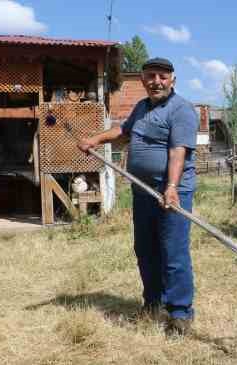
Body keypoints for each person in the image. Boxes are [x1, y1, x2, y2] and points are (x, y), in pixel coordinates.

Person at [78, 57, 198, 335]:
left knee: (173, 254)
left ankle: (180, 314)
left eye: (162, 76)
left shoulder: (182, 110)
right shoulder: (142, 107)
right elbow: (123, 130)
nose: (156, 81)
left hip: (170, 194)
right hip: (142, 193)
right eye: (151, 76)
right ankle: (153, 302)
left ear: (173, 80)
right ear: (143, 80)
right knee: (146, 251)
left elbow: (177, 151)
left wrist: (170, 187)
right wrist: (95, 139)